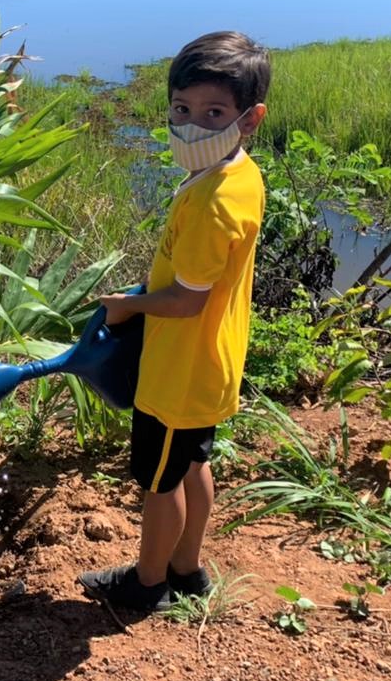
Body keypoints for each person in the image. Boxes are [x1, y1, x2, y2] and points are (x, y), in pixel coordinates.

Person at [78, 31, 269, 614]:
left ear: (250, 118)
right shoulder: (237, 176)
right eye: (181, 109)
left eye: (213, 113)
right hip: (210, 362)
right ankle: (187, 569)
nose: (190, 126)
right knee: (191, 464)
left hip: (177, 371)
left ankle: (147, 584)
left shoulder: (213, 203)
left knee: (159, 482)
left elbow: (185, 302)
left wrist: (128, 305)